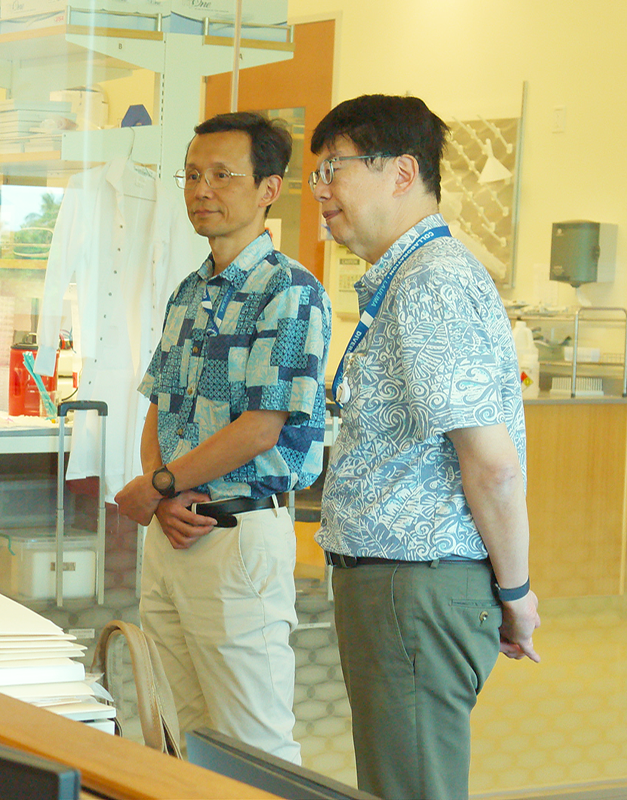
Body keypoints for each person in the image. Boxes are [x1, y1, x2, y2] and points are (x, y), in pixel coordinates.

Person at [310, 94, 540, 800]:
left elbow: (493, 465)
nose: (321, 192)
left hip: (414, 585)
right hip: (401, 584)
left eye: (335, 169)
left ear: (401, 172)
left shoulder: (432, 281)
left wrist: (518, 592)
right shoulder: (408, 277)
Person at [113, 111, 331, 763]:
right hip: (173, 531)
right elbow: (161, 405)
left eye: (222, 176)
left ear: (269, 188)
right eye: (193, 175)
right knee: (176, 732)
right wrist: (162, 492)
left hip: (235, 535)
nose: (201, 189)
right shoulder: (190, 289)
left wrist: (158, 485)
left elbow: (263, 426)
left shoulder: (289, 291)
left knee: (254, 741)